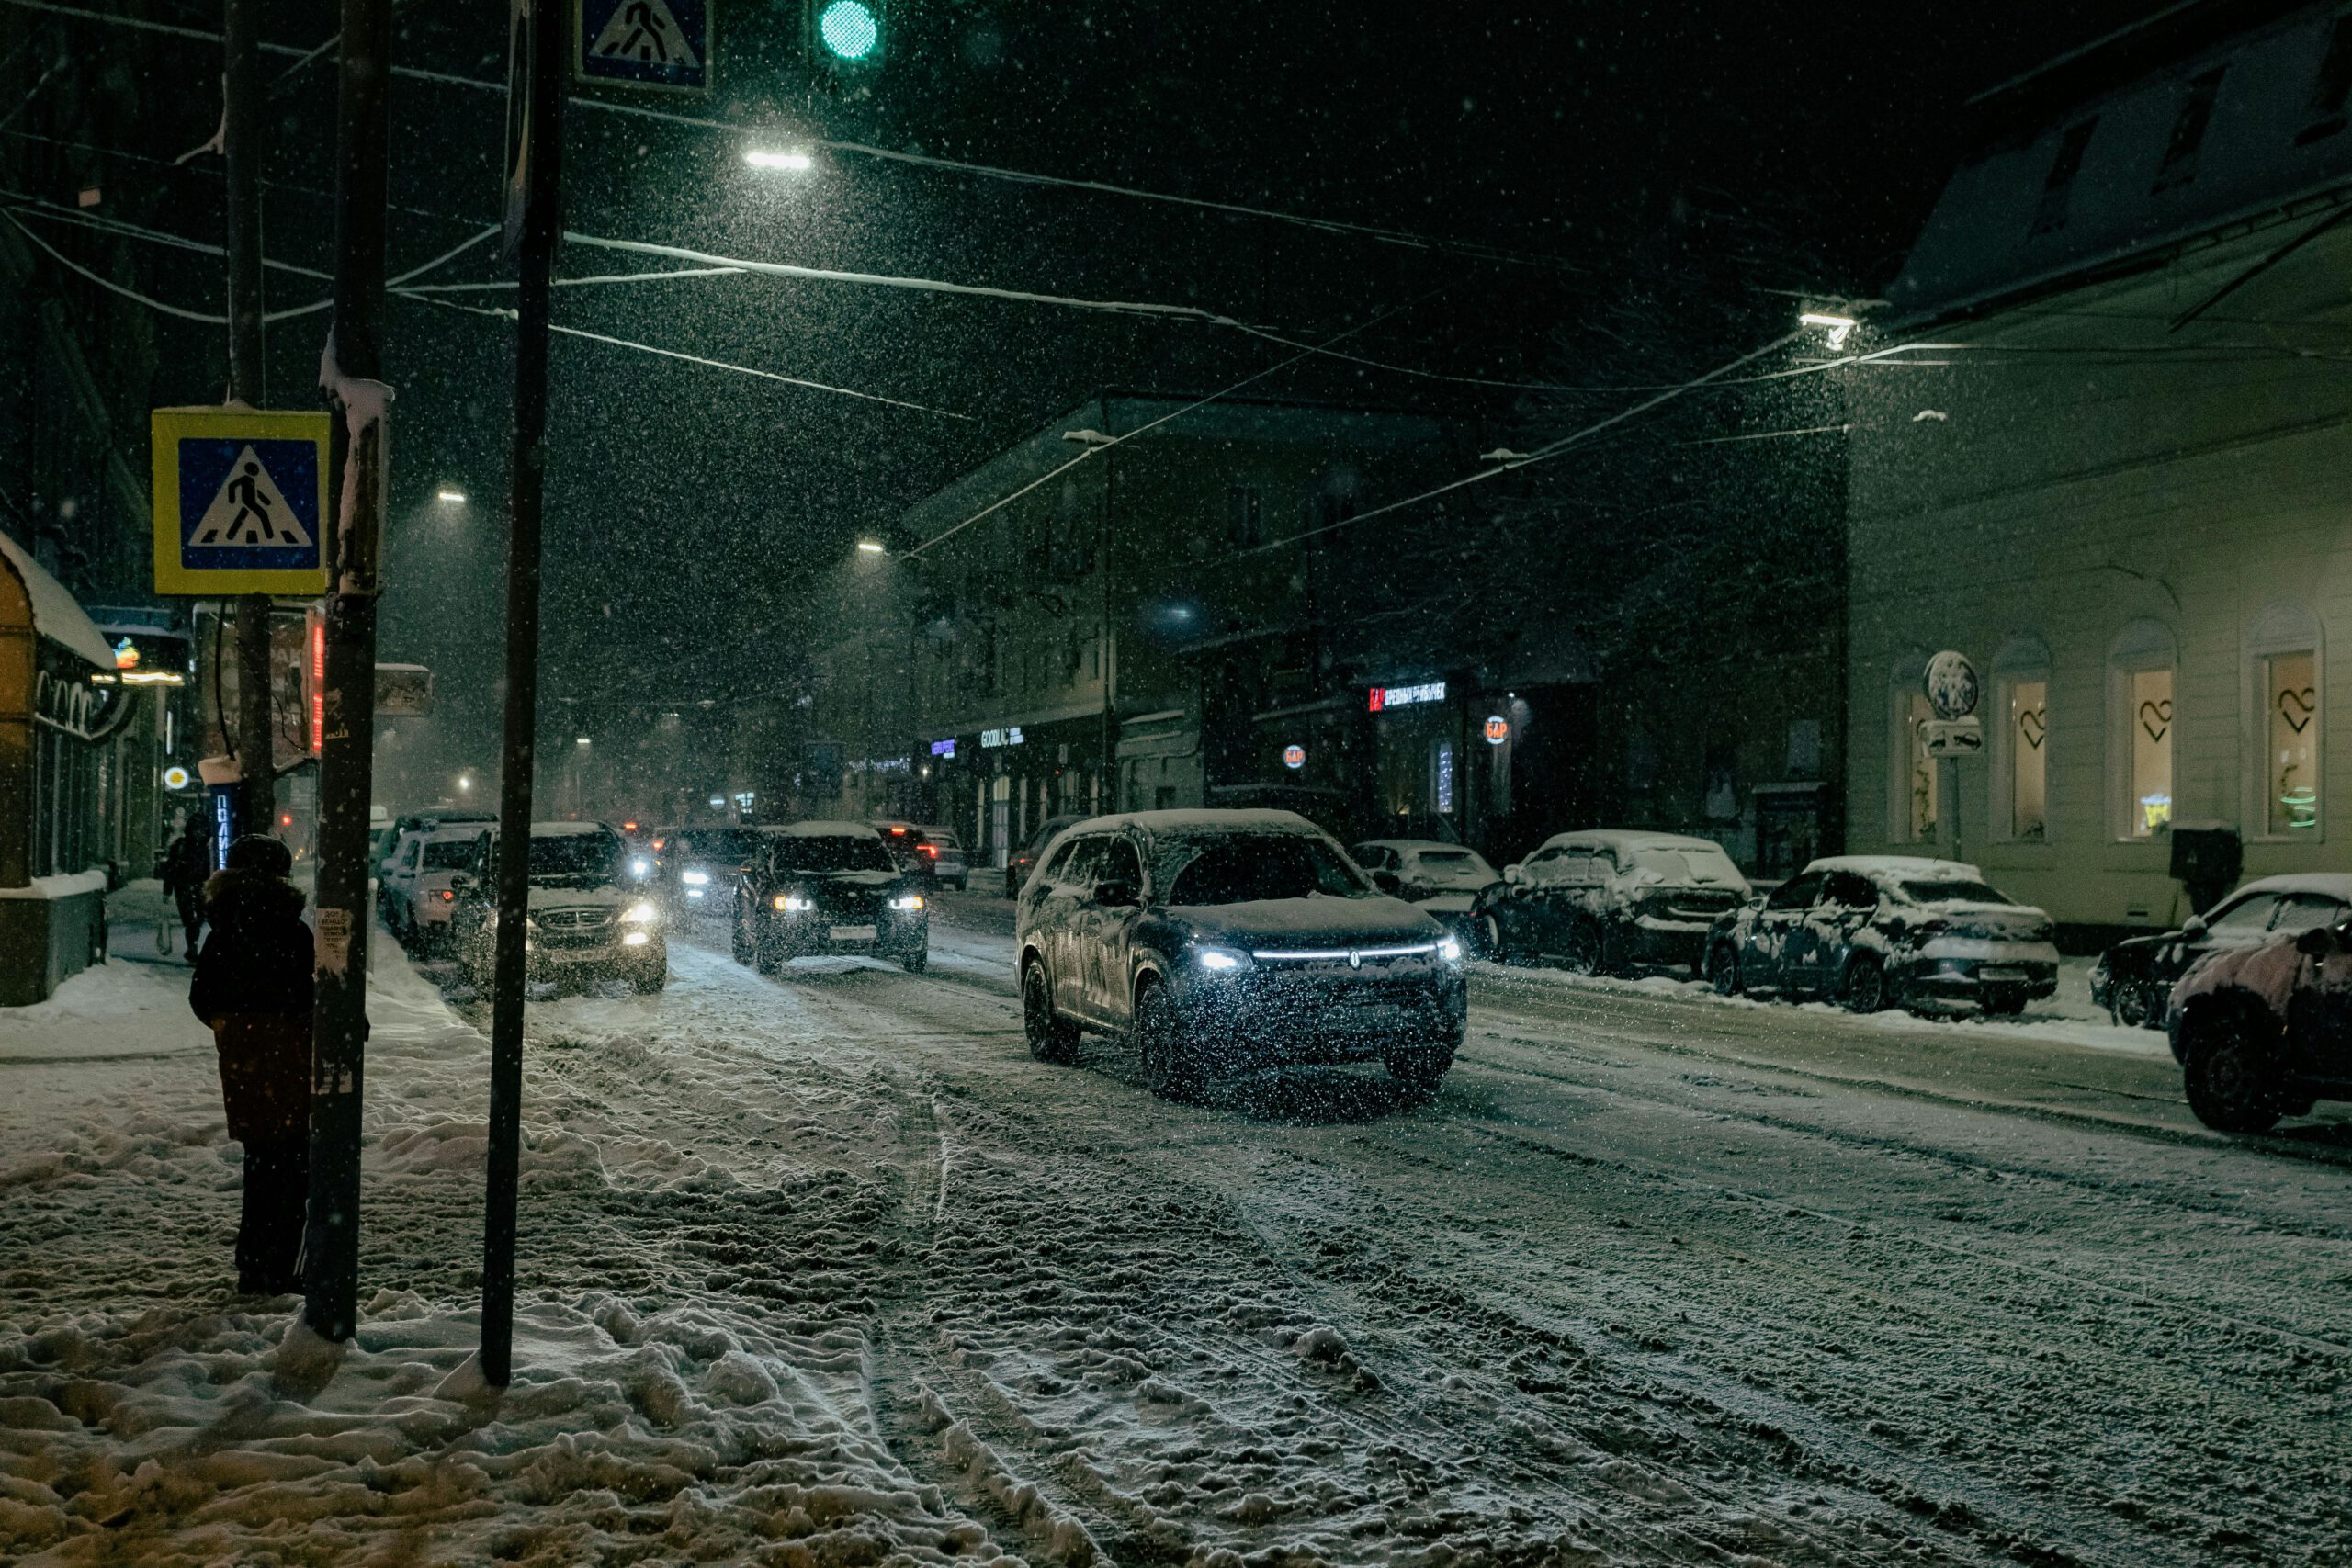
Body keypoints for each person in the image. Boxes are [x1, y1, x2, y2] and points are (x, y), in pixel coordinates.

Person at [189, 835, 314, 1295]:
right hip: (290, 1059)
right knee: (294, 1164)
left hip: (243, 1063)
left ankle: (253, 1263)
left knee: (260, 1162)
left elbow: (202, 998)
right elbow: (310, 993)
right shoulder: (292, 930)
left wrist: (233, 1028)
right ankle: (283, 1266)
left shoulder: (223, 929)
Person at [159, 812, 214, 955]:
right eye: (197, 829)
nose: (199, 833)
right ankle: (192, 947)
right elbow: (170, 869)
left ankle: (192, 947)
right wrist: (167, 890)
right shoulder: (181, 846)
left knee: (197, 919)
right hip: (184, 888)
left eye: (202, 830)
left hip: (200, 888)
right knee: (191, 919)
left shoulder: (208, 849)